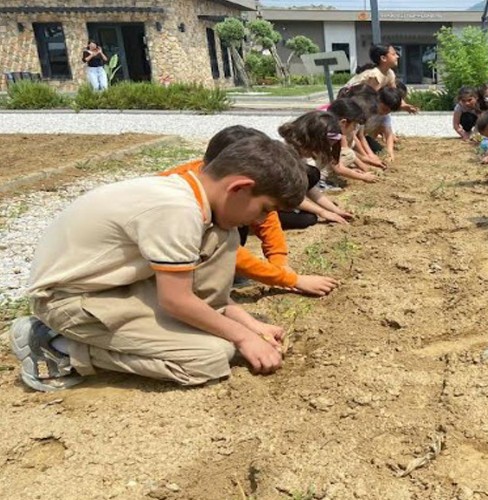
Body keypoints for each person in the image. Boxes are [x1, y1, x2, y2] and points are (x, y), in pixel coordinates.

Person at [10, 135, 308, 392]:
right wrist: (243, 337)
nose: (259, 221)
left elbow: (203, 291)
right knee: (211, 356)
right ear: (239, 187)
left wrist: (250, 325)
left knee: (224, 238)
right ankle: (56, 346)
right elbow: (176, 300)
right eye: (264, 209)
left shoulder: (195, 200)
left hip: (113, 288)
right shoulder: (176, 210)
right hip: (68, 302)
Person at [160, 126, 340, 297]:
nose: (262, 217)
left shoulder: (221, 192)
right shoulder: (185, 204)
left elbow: (269, 221)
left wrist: (279, 261)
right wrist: (290, 279)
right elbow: (226, 249)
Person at [343, 44, 418, 114]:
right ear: (383, 58)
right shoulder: (375, 75)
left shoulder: (390, 73)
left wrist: (403, 105)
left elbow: (394, 92)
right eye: (393, 54)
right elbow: (371, 98)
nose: (397, 56)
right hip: (350, 100)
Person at [363, 87, 402, 162]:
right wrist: (369, 154)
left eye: (389, 111)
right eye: (384, 109)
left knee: (381, 152)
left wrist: (390, 152)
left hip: (364, 138)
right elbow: (358, 135)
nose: (385, 113)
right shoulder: (366, 110)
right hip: (354, 138)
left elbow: (388, 133)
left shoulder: (384, 115)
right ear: (378, 100)